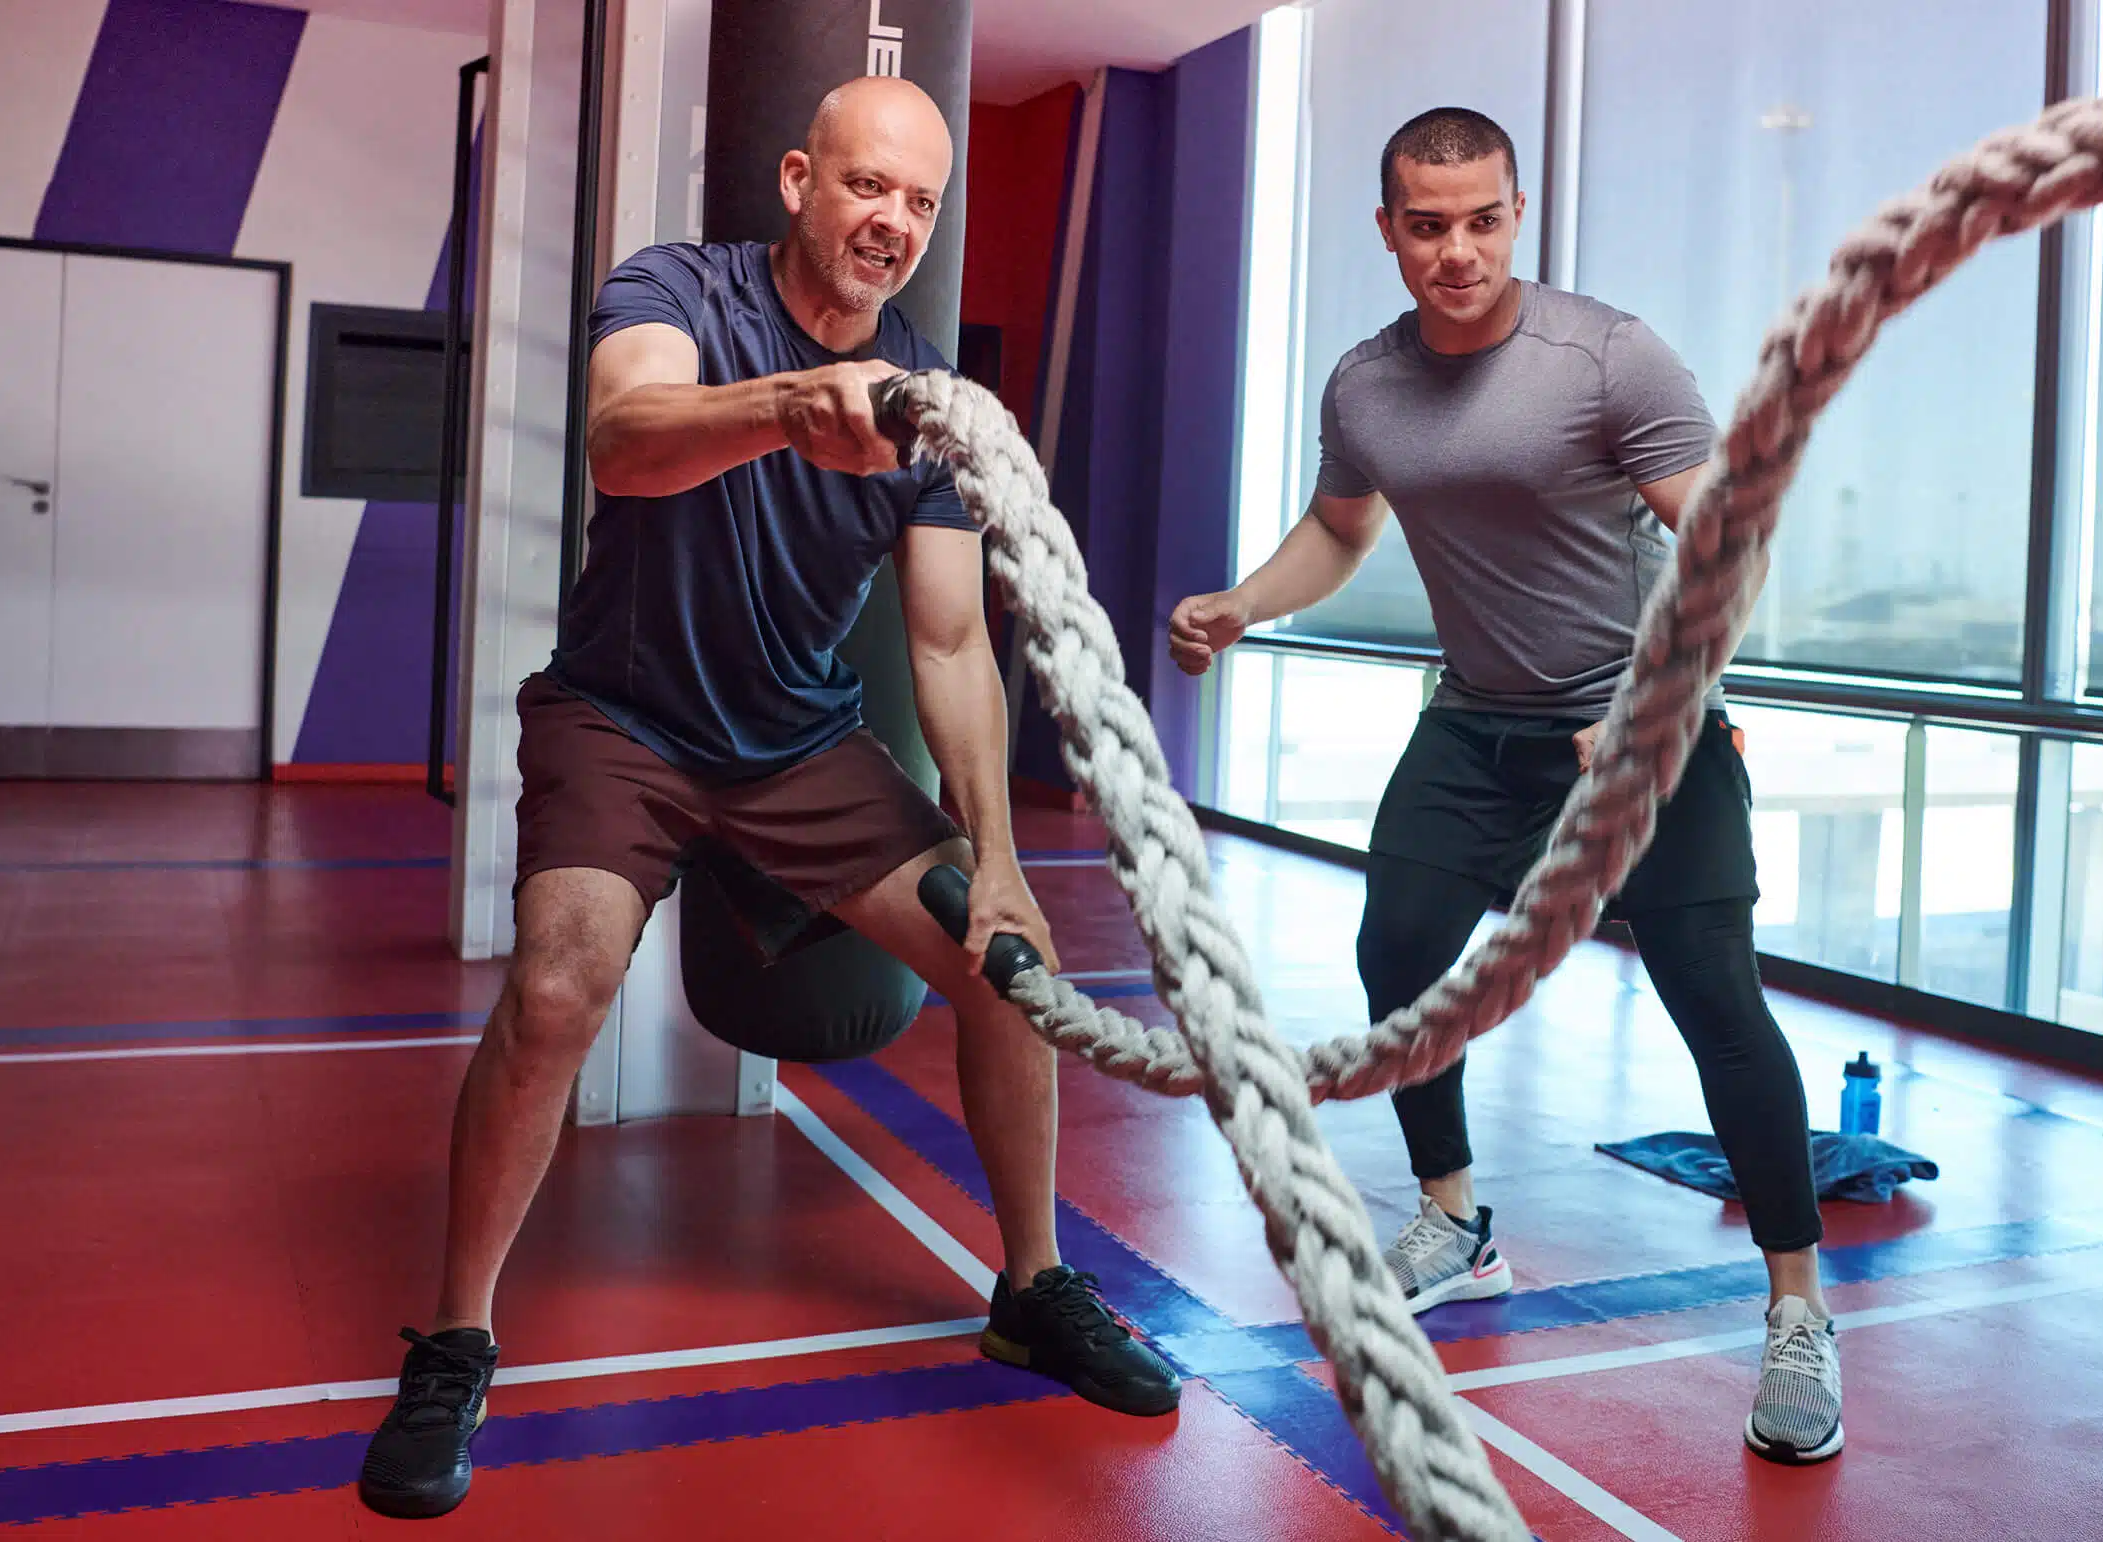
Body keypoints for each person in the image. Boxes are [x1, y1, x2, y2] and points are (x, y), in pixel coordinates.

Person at [357, 76, 1179, 1521]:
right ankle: (456, 1335)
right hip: (625, 717)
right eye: (869, 187)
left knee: (1015, 972)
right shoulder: (675, 287)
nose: (894, 223)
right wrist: (791, 408)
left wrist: (996, 854)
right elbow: (627, 436)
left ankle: (1032, 1283)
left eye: (920, 202)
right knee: (557, 987)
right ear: (799, 179)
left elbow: (945, 638)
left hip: (796, 748)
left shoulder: (930, 403)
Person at [1166, 107, 1842, 1466]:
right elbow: (1341, 527)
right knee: (1400, 947)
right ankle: (1456, 1218)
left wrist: (1658, 698)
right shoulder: (1367, 386)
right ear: (1389, 230)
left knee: (1713, 991)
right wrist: (1248, 601)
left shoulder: (1606, 356)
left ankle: (1797, 1306)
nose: (1457, 249)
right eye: (1428, 224)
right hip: (1480, 728)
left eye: (1482, 219)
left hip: (1649, 721)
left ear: (1516, 213)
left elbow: (1729, 538)